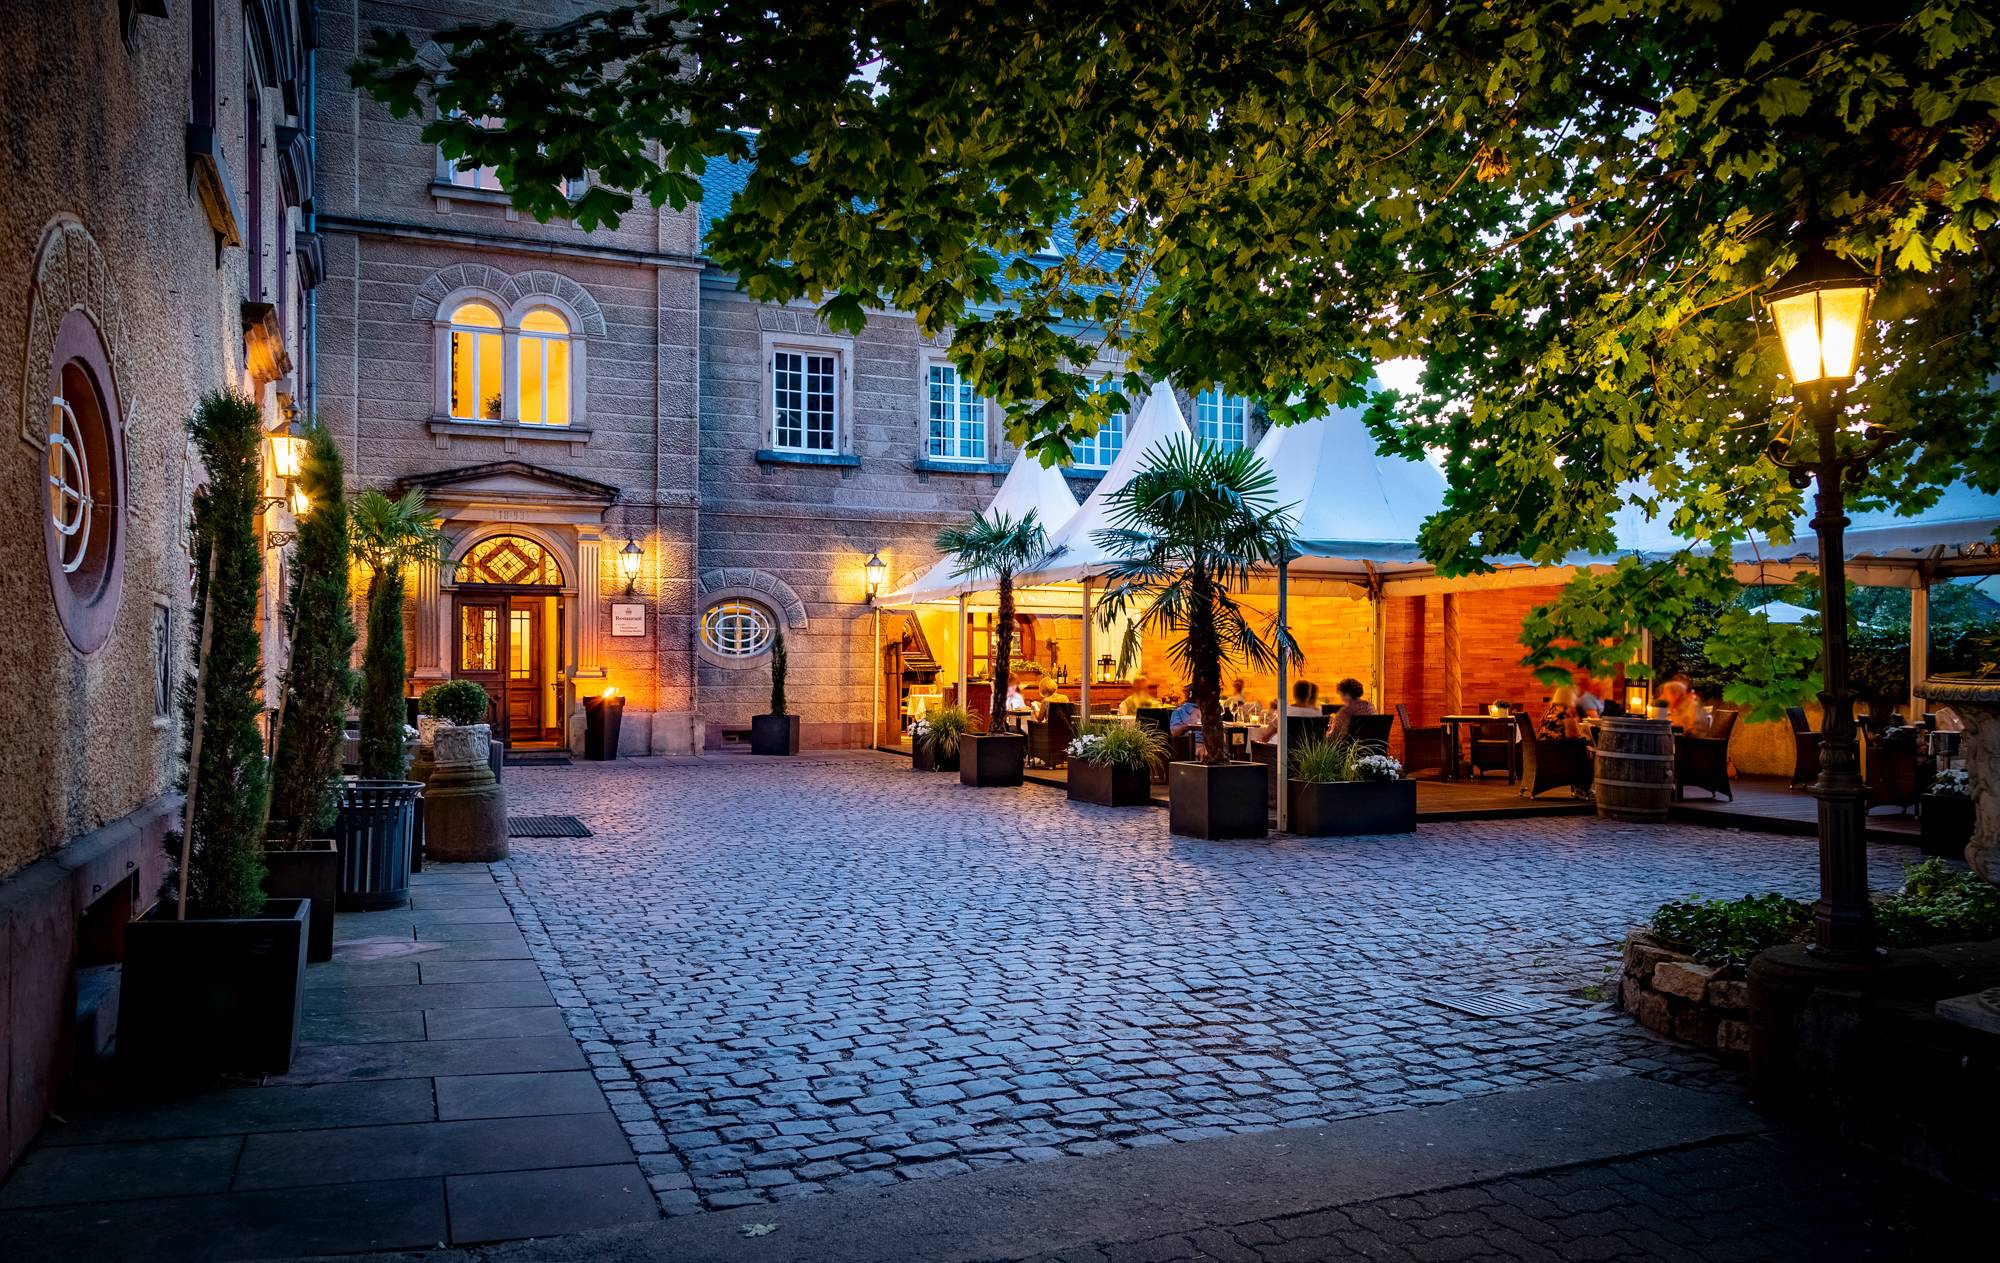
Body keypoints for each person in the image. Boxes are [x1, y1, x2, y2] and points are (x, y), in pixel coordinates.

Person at [1253, 679, 1322, 743]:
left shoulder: (1285, 710)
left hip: (1282, 752)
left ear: (1294, 694)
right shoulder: (1317, 713)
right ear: (1308, 694)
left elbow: (1267, 735)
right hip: (1307, 754)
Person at [1169, 688, 1206, 756]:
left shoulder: (1208, 711)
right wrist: (1187, 726)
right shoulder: (1179, 711)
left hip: (1210, 742)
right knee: (1204, 751)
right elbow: (1174, 732)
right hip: (1193, 743)